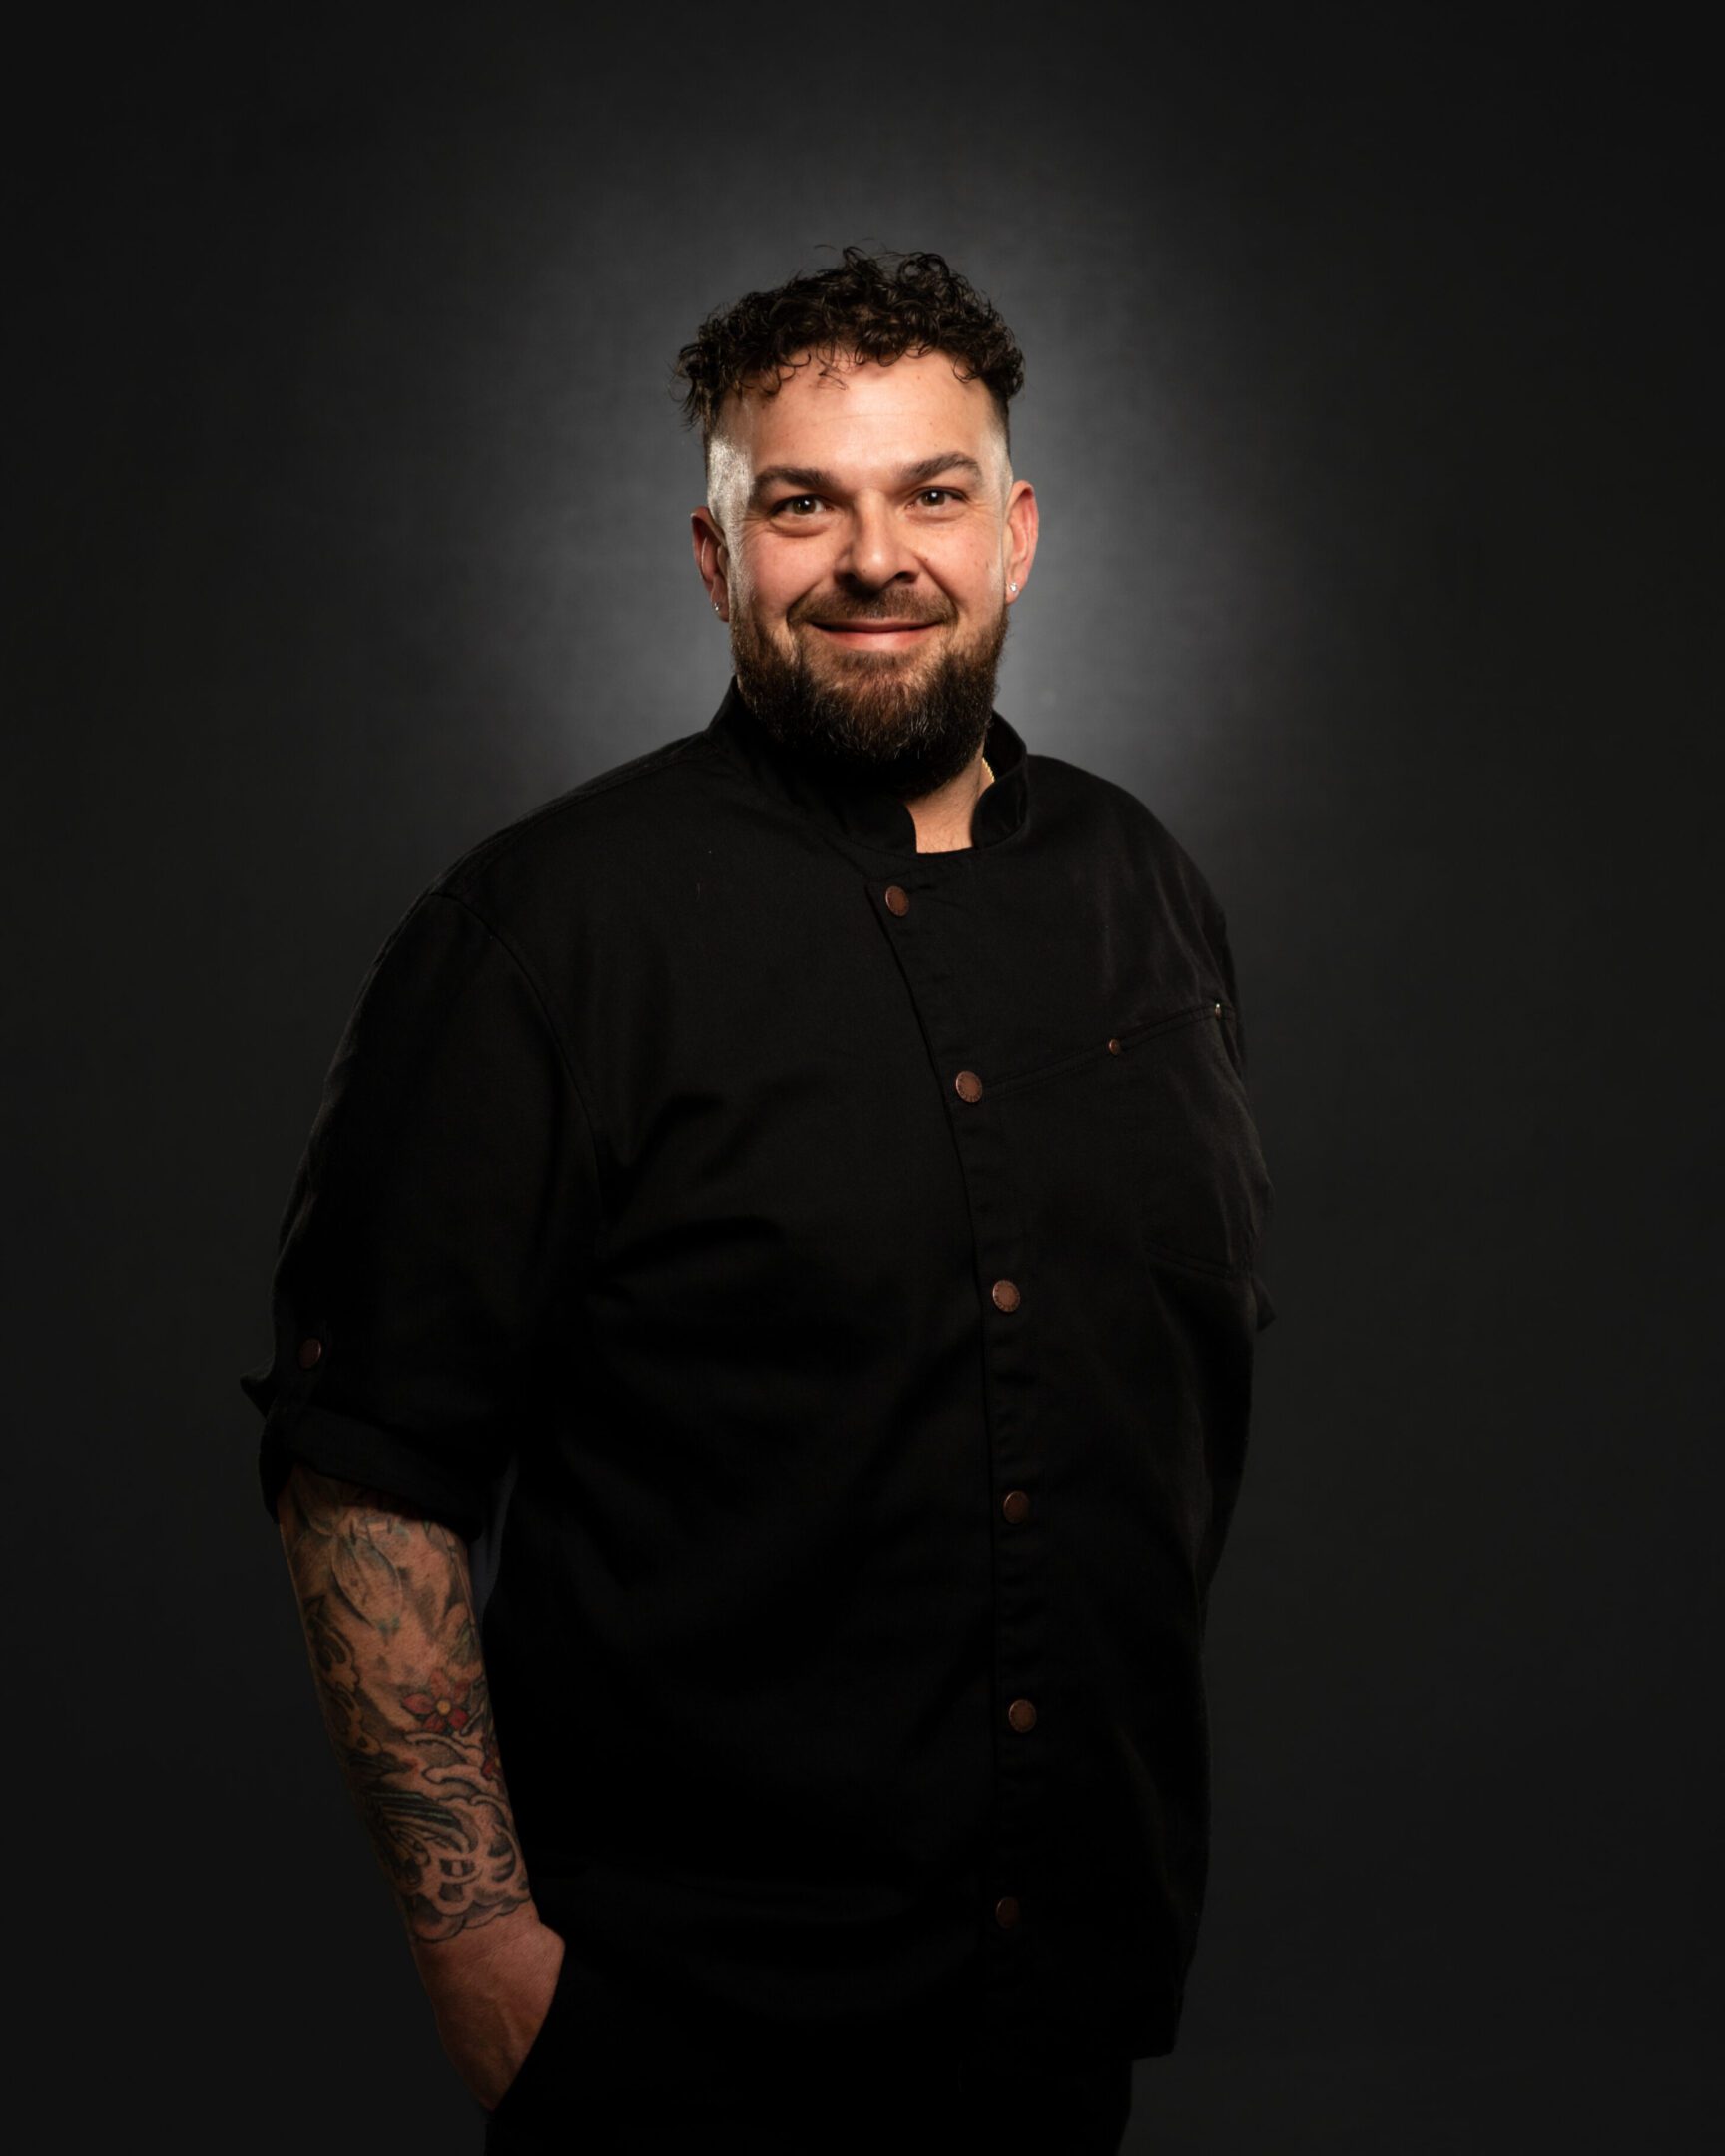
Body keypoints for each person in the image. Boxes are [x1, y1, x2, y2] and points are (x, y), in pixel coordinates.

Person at [241, 245, 1276, 2156]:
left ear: (1018, 532)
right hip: (676, 2033)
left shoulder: (1150, 894)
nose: (874, 556)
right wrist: (485, 1964)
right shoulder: (541, 936)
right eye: (802, 502)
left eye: (930, 493)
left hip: (1067, 2010)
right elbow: (366, 1474)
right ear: (717, 557)